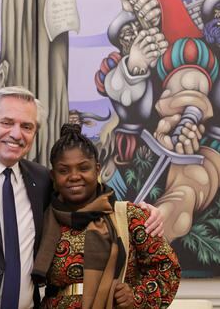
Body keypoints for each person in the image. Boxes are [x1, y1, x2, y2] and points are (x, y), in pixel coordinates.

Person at [0, 86, 164, 308]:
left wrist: (145, 213)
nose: (16, 134)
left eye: (27, 126)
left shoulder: (43, 180)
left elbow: (92, 201)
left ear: (34, 134)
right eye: (7, 122)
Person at [33, 124, 180, 308]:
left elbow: (167, 268)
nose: (74, 176)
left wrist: (136, 297)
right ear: (53, 176)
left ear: (97, 169)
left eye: (83, 168)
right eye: (64, 170)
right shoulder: (42, 220)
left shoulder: (130, 216)